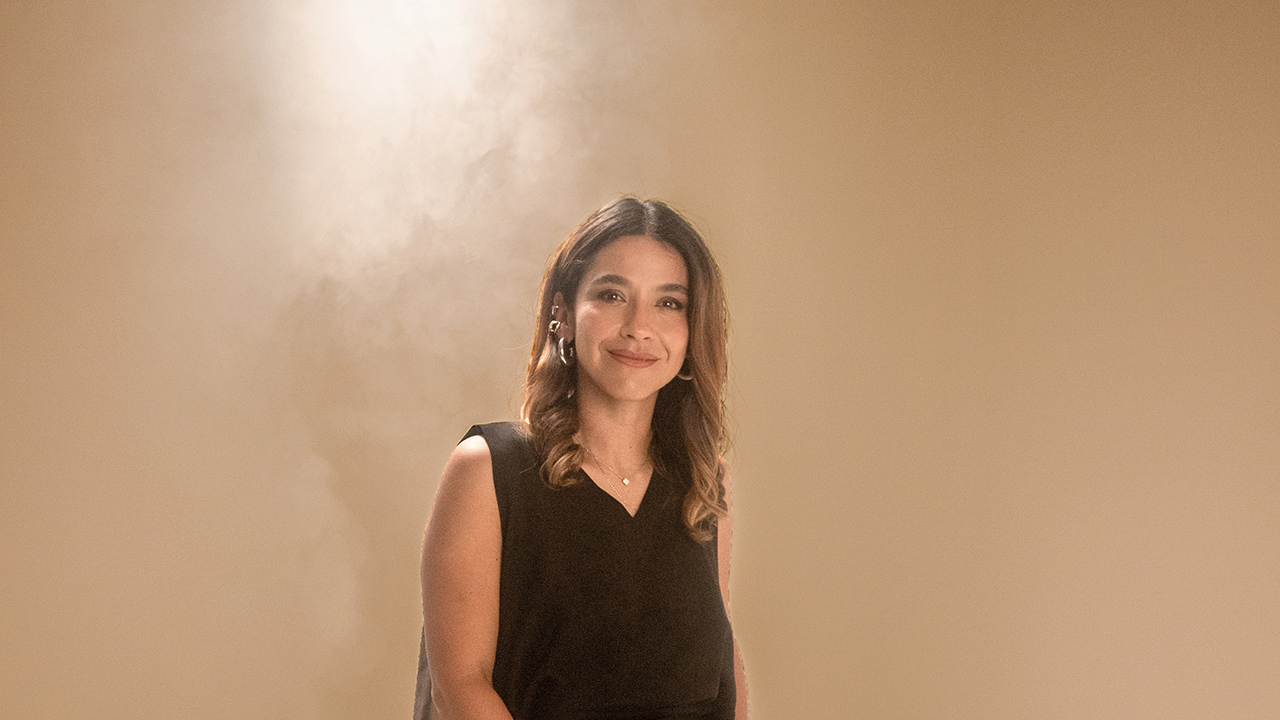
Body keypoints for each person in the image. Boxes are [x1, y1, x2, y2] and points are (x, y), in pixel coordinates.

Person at [417, 197, 747, 719]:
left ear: (692, 330)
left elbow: (719, 665)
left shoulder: (705, 480)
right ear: (564, 315)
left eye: (669, 303)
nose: (639, 327)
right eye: (612, 295)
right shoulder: (488, 469)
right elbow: (460, 685)